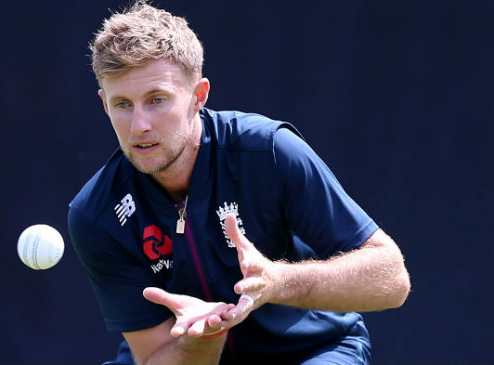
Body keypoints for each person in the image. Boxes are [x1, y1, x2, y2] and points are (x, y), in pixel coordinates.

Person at [68, 2, 411, 364]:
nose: (139, 126)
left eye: (157, 100)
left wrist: (277, 281)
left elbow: (391, 278)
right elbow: (154, 358)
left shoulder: (269, 151)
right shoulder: (95, 214)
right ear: (105, 105)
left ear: (198, 96)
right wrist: (206, 335)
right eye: (123, 104)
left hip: (310, 352)